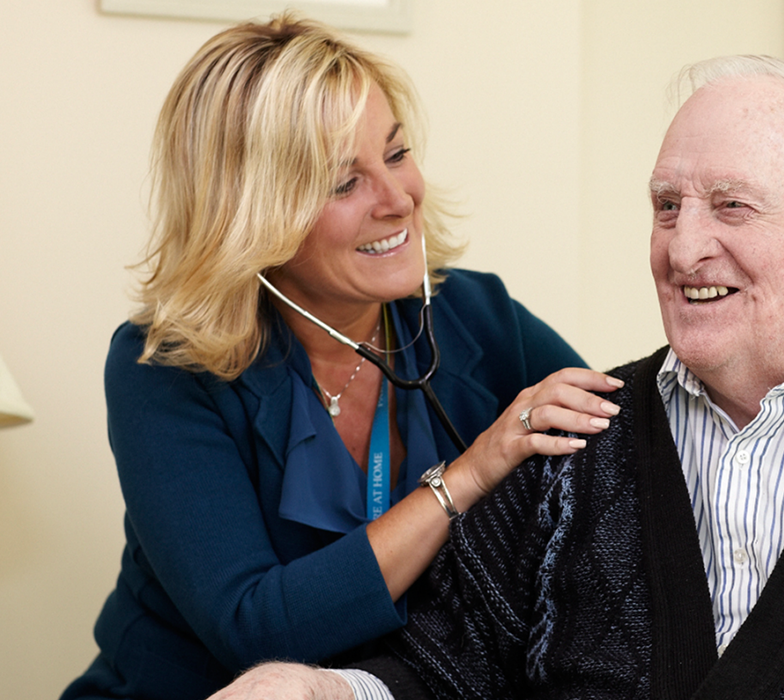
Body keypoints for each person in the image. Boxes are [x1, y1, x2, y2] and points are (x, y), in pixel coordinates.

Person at [208, 55, 784, 700]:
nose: (682, 248)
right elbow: (440, 672)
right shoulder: (574, 444)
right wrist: (320, 691)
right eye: (666, 206)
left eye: (730, 206)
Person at [59, 14, 624, 700]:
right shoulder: (166, 368)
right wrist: (468, 476)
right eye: (342, 183)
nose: (398, 199)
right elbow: (255, 630)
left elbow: (625, 459)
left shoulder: (477, 315)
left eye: (396, 153)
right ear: (251, 214)